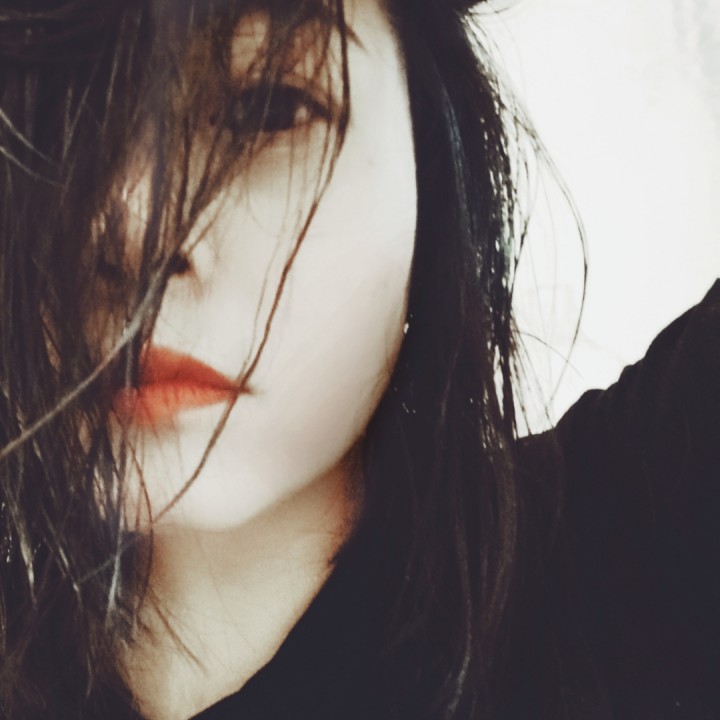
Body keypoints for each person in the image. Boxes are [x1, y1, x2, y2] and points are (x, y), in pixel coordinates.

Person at [0, 0, 717, 718]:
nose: (131, 232)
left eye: (268, 108)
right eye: (45, 130)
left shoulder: (636, 539)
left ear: (431, 164)